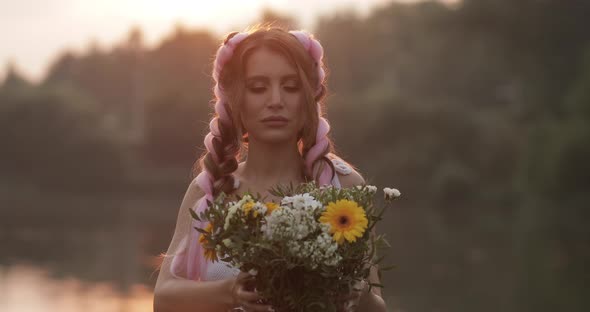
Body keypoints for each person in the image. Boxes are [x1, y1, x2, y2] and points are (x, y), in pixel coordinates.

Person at [153, 24, 387, 312]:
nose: (275, 101)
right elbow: (163, 298)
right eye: (258, 88)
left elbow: (377, 306)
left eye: (290, 87)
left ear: (308, 99)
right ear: (237, 100)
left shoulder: (345, 186)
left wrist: (355, 295)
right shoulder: (210, 191)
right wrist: (231, 292)